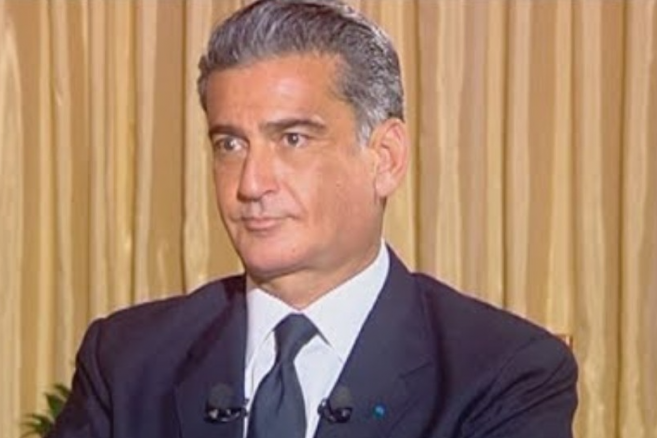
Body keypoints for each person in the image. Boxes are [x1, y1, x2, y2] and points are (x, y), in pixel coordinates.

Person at [48, 0, 577, 437]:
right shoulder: (127, 362)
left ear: (385, 158)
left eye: (292, 139)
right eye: (230, 144)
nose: (251, 183)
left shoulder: (504, 373)